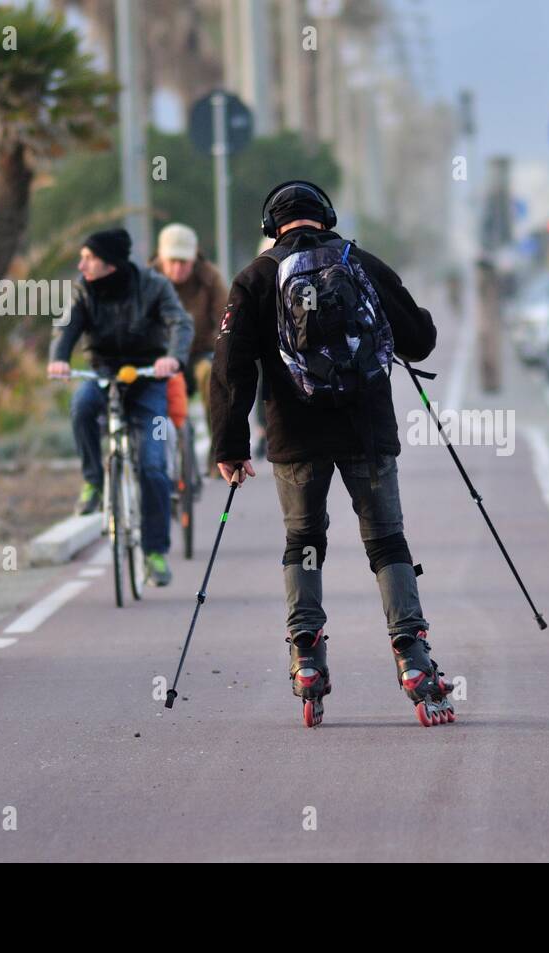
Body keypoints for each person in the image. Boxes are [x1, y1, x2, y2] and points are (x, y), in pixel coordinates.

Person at [210, 180, 453, 727]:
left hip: (294, 436)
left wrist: (229, 445)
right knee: (387, 540)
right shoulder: (358, 261)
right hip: (365, 427)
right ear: (326, 217)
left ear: (272, 226)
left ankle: (306, 658)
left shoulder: (255, 278)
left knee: (304, 540)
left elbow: (230, 366)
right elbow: (420, 339)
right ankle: (413, 659)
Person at [47, 228, 193, 587]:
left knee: (154, 467)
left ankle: (154, 553)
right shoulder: (82, 290)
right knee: (81, 405)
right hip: (101, 375)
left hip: (148, 382)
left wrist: (172, 359)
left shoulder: (154, 286)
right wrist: (59, 359)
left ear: (109, 264)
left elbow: (180, 323)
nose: (81, 264)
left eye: (89, 258)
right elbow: (65, 329)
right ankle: (94, 483)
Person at [150, 223, 228, 470]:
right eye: (172, 261)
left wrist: (221, 347)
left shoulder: (209, 278)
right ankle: (156, 457)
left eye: (184, 261)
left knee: (212, 375)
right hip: (161, 359)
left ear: (194, 258)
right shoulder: (147, 280)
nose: (178, 268)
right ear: (161, 258)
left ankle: (219, 454)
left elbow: (227, 318)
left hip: (198, 355)